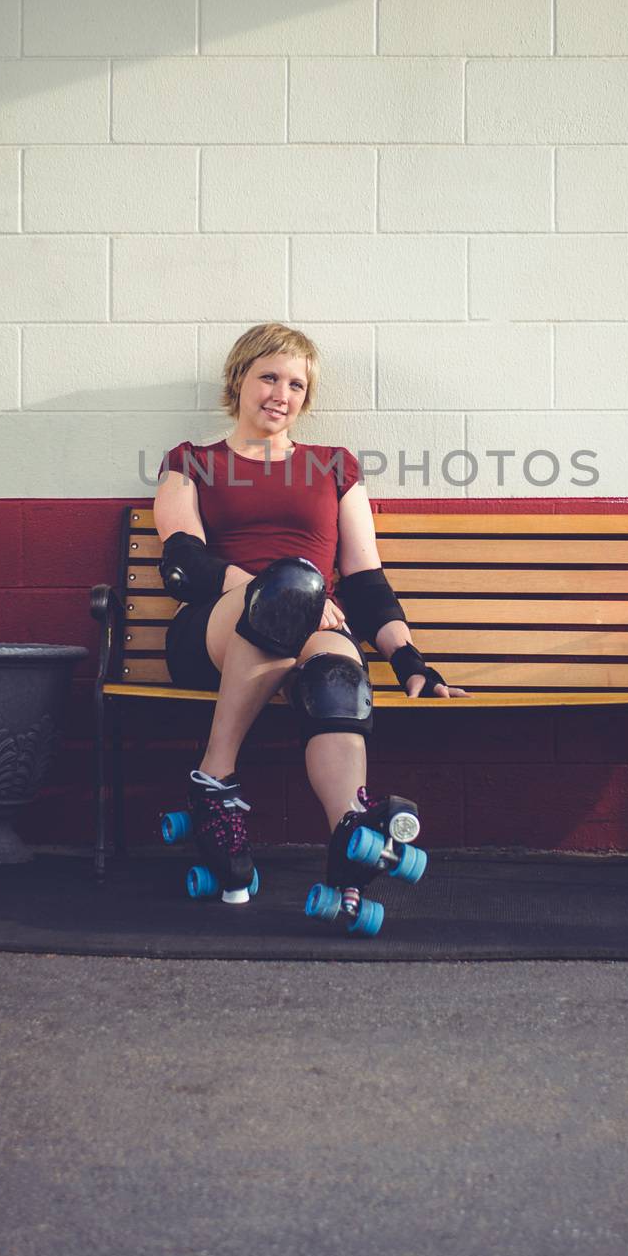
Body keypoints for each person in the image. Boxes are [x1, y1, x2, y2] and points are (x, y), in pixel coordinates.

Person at [153, 321, 468, 919]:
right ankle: (214, 782)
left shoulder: (334, 466)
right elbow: (184, 564)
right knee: (295, 583)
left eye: (295, 384)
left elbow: (366, 581)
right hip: (215, 630)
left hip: (311, 629)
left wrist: (409, 662)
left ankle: (351, 838)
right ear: (238, 380)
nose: (281, 393)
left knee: (338, 676)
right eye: (268, 377)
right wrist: (277, 591)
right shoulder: (190, 461)